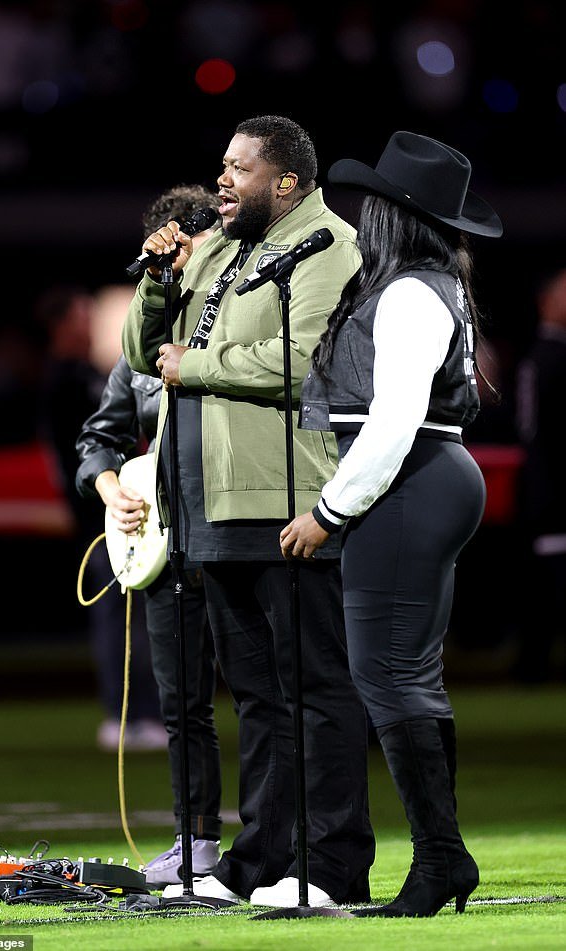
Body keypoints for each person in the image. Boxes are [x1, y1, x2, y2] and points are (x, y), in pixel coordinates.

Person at [121, 114, 376, 908]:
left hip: (283, 496)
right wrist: (159, 279)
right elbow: (140, 352)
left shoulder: (328, 246)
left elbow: (305, 363)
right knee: (260, 698)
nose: (221, 180)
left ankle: (332, 862)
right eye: (222, 165)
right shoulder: (227, 251)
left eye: (239, 168)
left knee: (316, 690)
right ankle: (262, 856)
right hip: (211, 503)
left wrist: (196, 366)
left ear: (287, 182)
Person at [279, 130, 503, 917]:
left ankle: (440, 858)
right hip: (427, 479)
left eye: (373, 202)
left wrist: (328, 510)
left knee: (388, 675)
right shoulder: (426, 282)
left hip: (411, 481)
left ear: (394, 215)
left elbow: (395, 418)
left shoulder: (409, 290)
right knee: (406, 675)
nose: (361, 213)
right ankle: (445, 857)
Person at [75, 184, 225, 888]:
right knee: (182, 704)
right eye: (167, 248)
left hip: (235, 531)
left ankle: (274, 837)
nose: (179, 259)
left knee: (263, 694)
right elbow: (100, 438)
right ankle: (196, 841)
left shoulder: (239, 319)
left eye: (188, 244)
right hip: (169, 543)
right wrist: (115, 491)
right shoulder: (141, 344)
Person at [37, 283, 168, 753]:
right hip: (103, 516)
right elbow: (87, 451)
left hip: (107, 511)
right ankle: (133, 715)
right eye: (82, 315)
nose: (90, 322)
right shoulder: (68, 380)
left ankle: (129, 715)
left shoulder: (76, 376)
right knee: (128, 618)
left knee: (127, 619)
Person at [513, 267, 566, 683]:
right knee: (545, 589)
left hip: (547, 494)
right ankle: (531, 665)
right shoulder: (543, 358)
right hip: (550, 497)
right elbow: (530, 432)